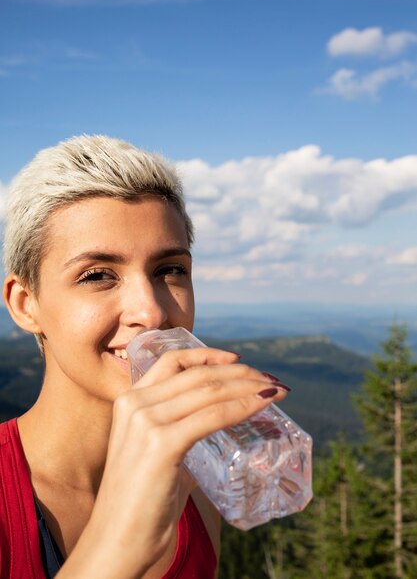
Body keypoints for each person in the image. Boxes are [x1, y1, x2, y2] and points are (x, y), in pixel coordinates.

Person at [0, 135, 290, 579]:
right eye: (97, 275)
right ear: (25, 303)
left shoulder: (195, 489)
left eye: (169, 269)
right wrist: (120, 542)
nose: (152, 311)